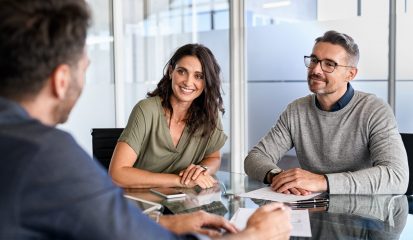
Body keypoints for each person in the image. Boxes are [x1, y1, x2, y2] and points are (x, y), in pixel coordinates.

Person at [0, 0, 292, 239]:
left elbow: (107, 230)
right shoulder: (47, 156)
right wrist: (253, 235)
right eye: (85, 67)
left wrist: (170, 222)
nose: (189, 81)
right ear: (61, 79)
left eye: (199, 76)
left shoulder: (19, 144)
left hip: (165, 213)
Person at [244, 30, 409, 195]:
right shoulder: (296, 110)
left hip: (365, 214)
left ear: (350, 74)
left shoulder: (374, 110)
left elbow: (396, 176)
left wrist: (321, 181)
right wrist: (278, 177)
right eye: (314, 60)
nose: (316, 70)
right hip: (311, 210)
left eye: (329, 64)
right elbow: (255, 157)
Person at [109, 44, 227, 189]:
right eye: (182, 72)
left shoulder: (209, 113)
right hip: (139, 202)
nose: (188, 82)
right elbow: (117, 174)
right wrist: (179, 181)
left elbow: (213, 157)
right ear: (171, 72)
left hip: (182, 203)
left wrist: (201, 171)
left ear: (206, 81)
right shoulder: (146, 110)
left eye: (198, 76)